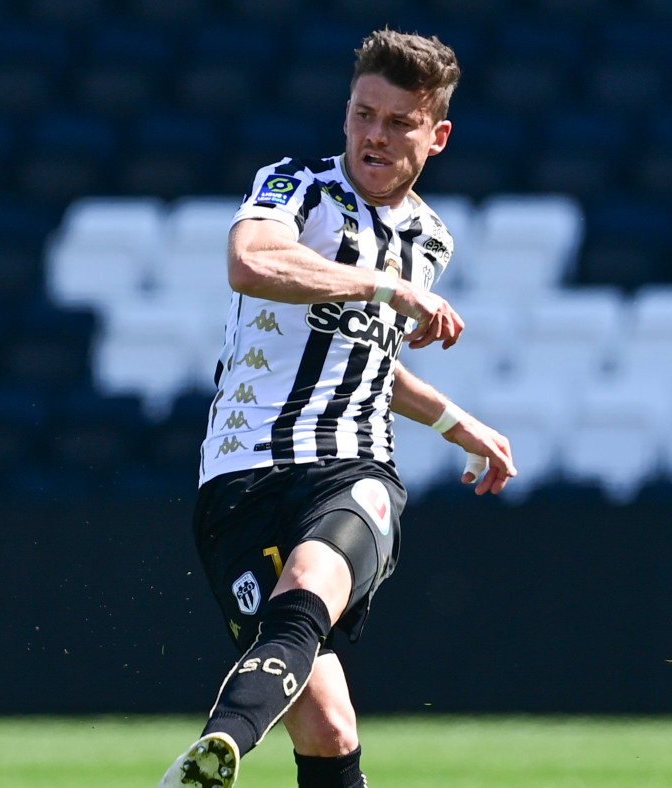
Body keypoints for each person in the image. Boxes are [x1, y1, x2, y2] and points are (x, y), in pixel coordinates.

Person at [158, 28, 518, 788]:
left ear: (437, 136)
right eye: (363, 114)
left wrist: (458, 424)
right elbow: (251, 261)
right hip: (243, 475)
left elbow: (369, 361)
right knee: (328, 726)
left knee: (307, 586)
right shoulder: (295, 188)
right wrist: (385, 286)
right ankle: (220, 756)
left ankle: (214, 753)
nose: (374, 136)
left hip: (353, 466)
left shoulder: (429, 239)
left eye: (399, 122)